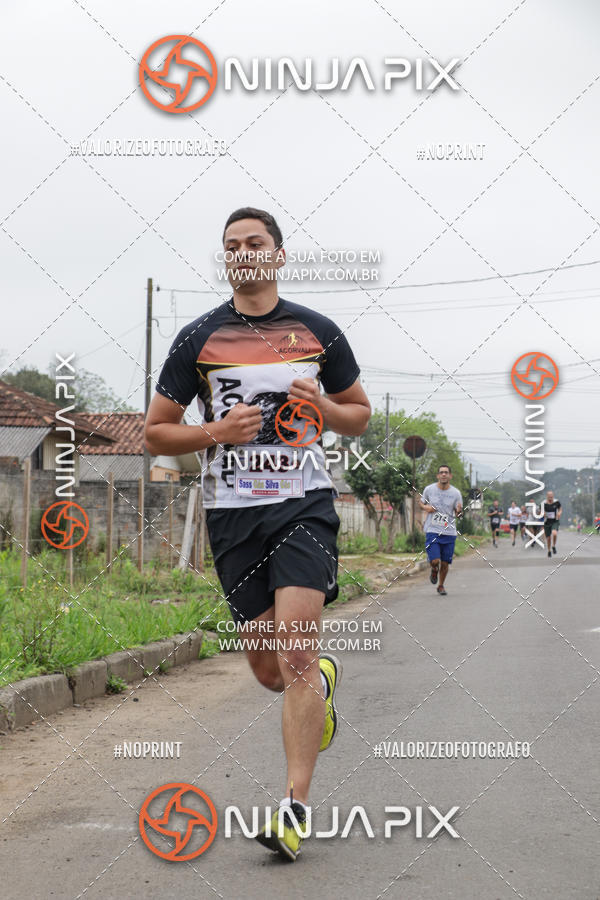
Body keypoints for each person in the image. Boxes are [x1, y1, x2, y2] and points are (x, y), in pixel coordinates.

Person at [145, 207, 371, 862]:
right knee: (272, 669)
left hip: (303, 506)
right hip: (232, 514)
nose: (244, 252)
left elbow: (357, 413)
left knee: (295, 652)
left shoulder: (317, 331)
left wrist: (322, 406)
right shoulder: (199, 338)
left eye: (255, 243)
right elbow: (157, 431)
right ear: (227, 259)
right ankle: (319, 684)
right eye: (232, 245)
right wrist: (215, 432)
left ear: (277, 254)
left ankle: (294, 810)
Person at [419, 465, 463, 596]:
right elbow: (421, 503)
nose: (444, 474)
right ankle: (434, 569)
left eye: (446, 472)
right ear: (438, 475)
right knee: (435, 561)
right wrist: (426, 508)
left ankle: (441, 585)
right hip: (432, 530)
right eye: (441, 472)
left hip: (449, 532)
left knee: (444, 563)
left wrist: (459, 511)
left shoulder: (456, 493)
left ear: (450, 476)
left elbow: (458, 513)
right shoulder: (429, 489)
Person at [543, 490, 562, 557]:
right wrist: (543, 514)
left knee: (554, 533)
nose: (550, 498)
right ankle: (549, 550)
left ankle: (553, 546)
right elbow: (541, 512)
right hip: (547, 522)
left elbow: (560, 509)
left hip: (555, 521)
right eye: (549, 497)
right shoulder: (544, 503)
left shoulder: (556, 502)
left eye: (551, 497)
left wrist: (559, 513)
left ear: (553, 496)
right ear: (547, 496)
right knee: (548, 538)